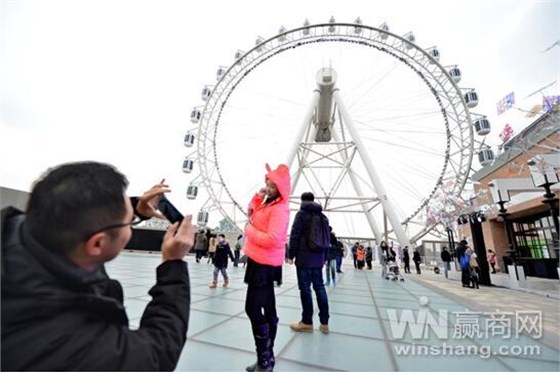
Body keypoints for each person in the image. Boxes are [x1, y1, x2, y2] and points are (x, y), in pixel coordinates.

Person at [1, 161, 195, 371]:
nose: (131, 220)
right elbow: (157, 352)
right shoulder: (71, 346)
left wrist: (137, 209)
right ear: (97, 244)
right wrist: (173, 264)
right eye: (126, 220)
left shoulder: (25, 227)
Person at [243, 164, 291, 372]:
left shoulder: (280, 209)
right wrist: (257, 197)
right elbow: (252, 214)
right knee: (268, 308)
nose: (268, 188)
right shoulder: (268, 203)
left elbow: (273, 238)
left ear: (281, 189)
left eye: (273, 186)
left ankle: (265, 360)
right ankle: (267, 359)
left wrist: (249, 231)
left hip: (265, 263)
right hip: (258, 260)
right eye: (267, 184)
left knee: (252, 308)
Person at [288, 192, 330, 335]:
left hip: (304, 258)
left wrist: (290, 255)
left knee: (305, 289)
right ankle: (324, 323)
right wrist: (324, 257)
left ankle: (307, 322)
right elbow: (326, 239)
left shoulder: (301, 214)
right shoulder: (323, 217)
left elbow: (294, 235)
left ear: (302, 200)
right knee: (320, 288)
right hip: (318, 258)